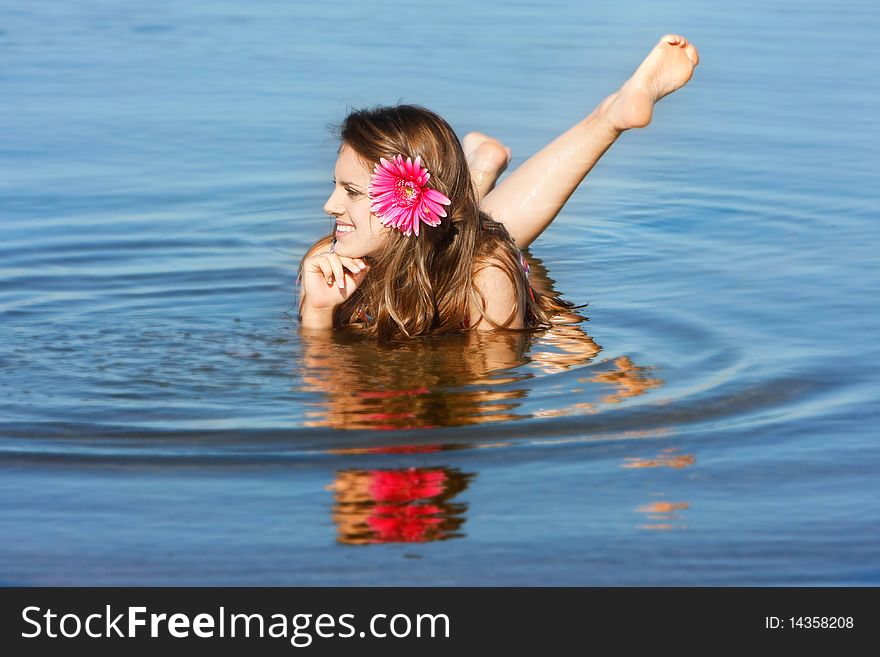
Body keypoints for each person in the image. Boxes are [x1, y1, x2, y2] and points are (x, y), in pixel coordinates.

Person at [297, 34, 699, 341]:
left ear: (404, 195)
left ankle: (609, 117)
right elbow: (318, 389)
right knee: (466, 215)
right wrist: (317, 311)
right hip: (438, 229)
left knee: (492, 232)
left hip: (481, 257)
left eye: (351, 192)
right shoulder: (327, 263)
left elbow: (494, 393)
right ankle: (481, 166)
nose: (329, 206)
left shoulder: (485, 273)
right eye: (337, 186)